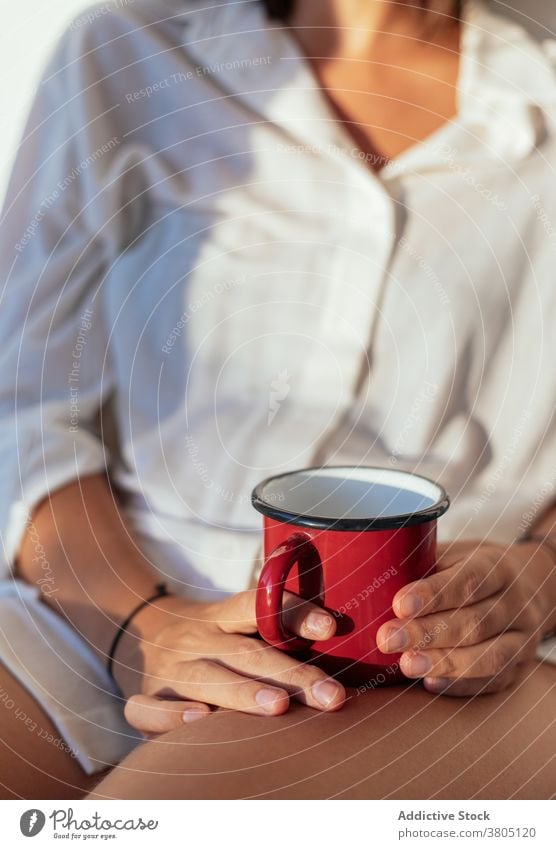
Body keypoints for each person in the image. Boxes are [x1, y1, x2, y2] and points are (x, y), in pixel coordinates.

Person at [0, 0, 555, 799]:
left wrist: (539, 576)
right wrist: (146, 626)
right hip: (93, 605)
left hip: (414, 651)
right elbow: (25, 407)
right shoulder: (124, 51)